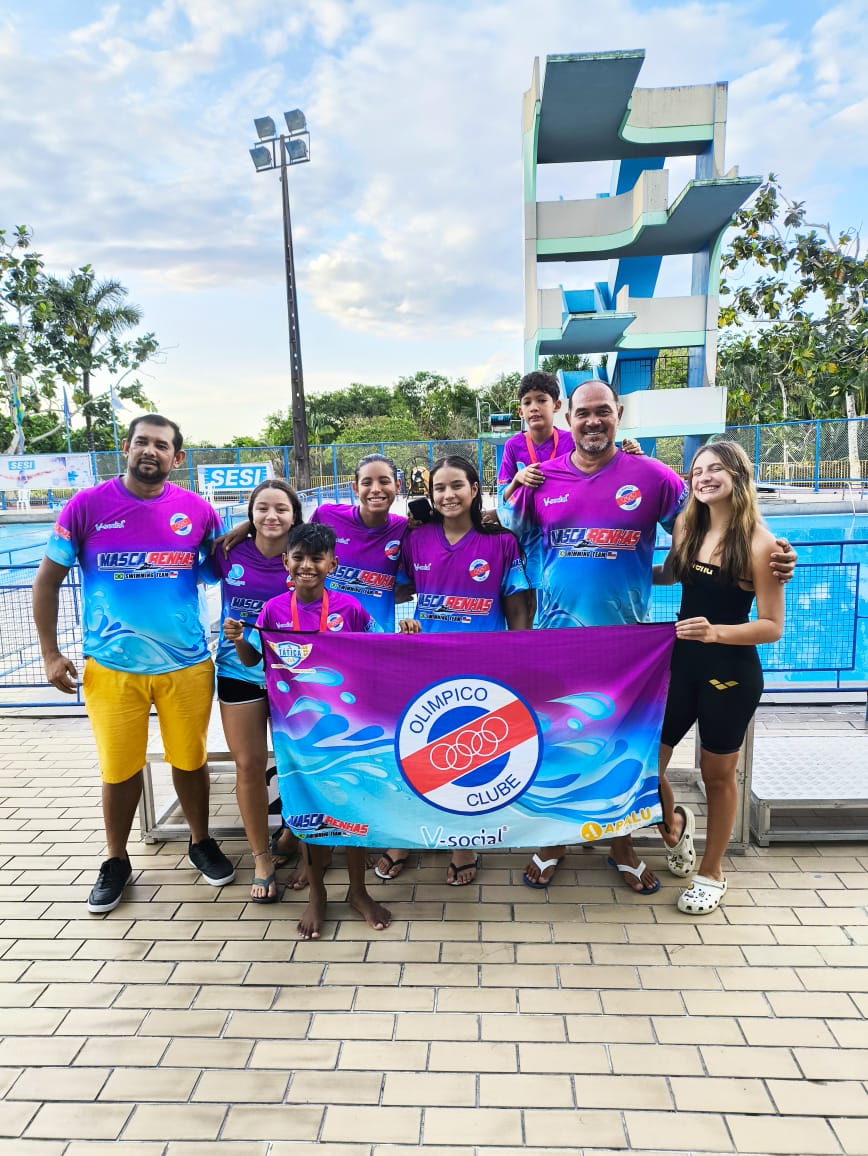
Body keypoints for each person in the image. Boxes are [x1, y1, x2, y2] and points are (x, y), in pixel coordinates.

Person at [510, 381, 796, 890]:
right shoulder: (542, 478)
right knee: (557, 738)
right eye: (583, 413)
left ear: (618, 414)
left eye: (603, 412)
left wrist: (775, 550)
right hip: (557, 638)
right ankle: (553, 839)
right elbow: (503, 530)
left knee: (625, 751)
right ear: (565, 416)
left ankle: (621, 845)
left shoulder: (655, 478)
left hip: (627, 646)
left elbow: (714, 518)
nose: (593, 421)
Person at [32, 414, 235, 913]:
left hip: (186, 664)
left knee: (190, 760)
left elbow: (224, 568)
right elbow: (47, 581)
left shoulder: (198, 512)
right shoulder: (87, 507)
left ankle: (200, 841)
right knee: (119, 768)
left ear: (177, 458)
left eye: (161, 445)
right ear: (126, 448)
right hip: (112, 666)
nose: (150, 451)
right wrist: (50, 652)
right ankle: (116, 859)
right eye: (142, 442)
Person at [225, 522, 392, 939]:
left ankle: (357, 890)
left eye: (317, 558)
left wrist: (409, 633)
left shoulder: (350, 610)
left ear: (333, 563)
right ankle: (317, 894)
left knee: (351, 810)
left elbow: (382, 652)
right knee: (308, 810)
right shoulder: (274, 611)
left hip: (346, 729)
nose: (307, 566)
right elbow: (251, 662)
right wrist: (238, 639)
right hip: (297, 735)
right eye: (298, 557)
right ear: (286, 562)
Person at [378, 455, 532, 886]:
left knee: (470, 756)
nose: (448, 495)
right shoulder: (417, 538)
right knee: (415, 749)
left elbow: (518, 603)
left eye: (456, 486)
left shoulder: (501, 541)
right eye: (439, 488)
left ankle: (463, 842)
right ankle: (406, 836)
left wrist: (520, 657)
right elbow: (402, 586)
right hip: (426, 662)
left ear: (474, 488)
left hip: (483, 665)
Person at [653, 441, 784, 914]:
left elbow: (771, 626)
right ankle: (675, 825)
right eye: (697, 471)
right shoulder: (689, 523)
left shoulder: (760, 543)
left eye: (715, 469)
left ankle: (712, 871)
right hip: (680, 664)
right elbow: (672, 574)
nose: (703, 477)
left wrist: (715, 633)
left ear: (738, 475)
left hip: (729, 671)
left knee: (716, 773)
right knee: (649, 763)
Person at [206, 479, 302, 903]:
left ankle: (298, 834)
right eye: (261, 508)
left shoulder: (302, 554)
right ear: (250, 515)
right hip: (237, 670)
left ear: (295, 515)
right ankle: (262, 857)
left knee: (299, 761)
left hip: (293, 673)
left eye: (281, 508)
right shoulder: (229, 552)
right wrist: (240, 531)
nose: (271, 516)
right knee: (248, 764)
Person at [310, 453, 410, 633]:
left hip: (377, 639)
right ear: (355, 488)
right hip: (325, 636)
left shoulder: (405, 529)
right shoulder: (326, 516)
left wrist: (393, 590)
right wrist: (248, 526)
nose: (376, 489)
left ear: (397, 486)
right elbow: (296, 552)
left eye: (384, 481)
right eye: (367, 483)